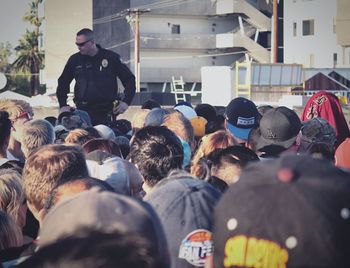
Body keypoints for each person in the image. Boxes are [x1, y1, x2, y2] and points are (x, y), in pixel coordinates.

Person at [56, 28, 136, 125]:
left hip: (105, 112)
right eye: (77, 44)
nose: (79, 47)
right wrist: (63, 105)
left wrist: (126, 102)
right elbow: (63, 82)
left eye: (82, 44)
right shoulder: (75, 60)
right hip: (82, 111)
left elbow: (129, 79)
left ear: (92, 42)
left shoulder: (111, 58)